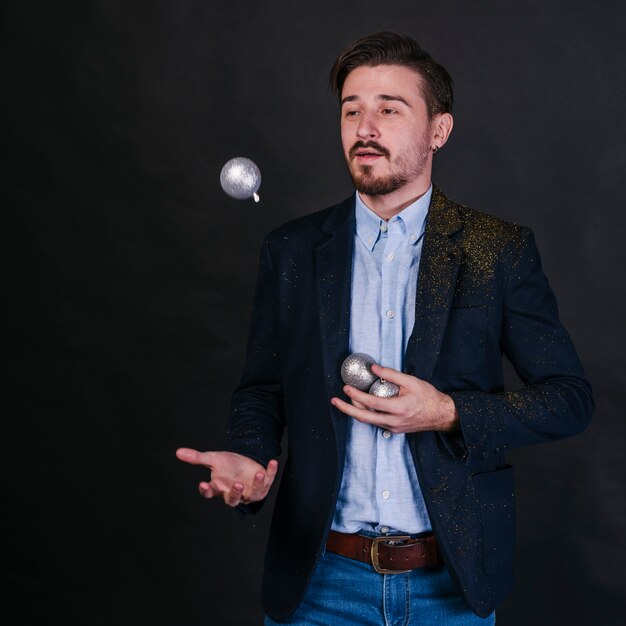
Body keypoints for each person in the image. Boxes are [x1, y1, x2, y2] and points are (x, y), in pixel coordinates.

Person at [177, 32, 593, 625]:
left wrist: (448, 412)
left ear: (439, 130)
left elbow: (570, 400)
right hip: (319, 586)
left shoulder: (498, 249)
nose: (364, 127)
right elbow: (262, 390)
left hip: (451, 588)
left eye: (389, 109)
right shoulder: (292, 251)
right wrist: (251, 457)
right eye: (352, 110)